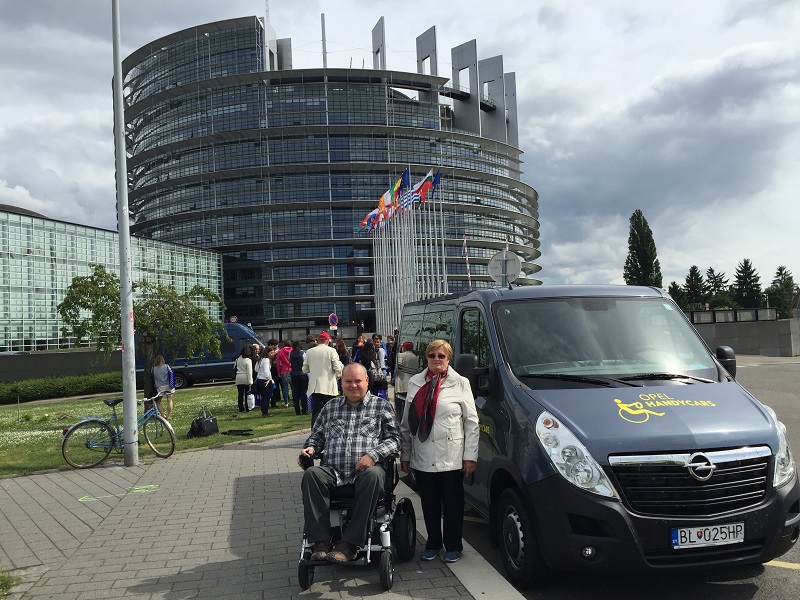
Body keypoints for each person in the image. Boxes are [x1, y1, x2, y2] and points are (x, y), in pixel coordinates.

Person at [298, 362, 401, 563]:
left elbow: (395, 439)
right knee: (311, 475)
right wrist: (310, 448)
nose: (353, 385)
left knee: (372, 475)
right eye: (348, 381)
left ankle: (351, 544)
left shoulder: (381, 406)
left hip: (367, 472)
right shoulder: (330, 407)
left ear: (367, 381)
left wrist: (372, 455)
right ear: (341, 383)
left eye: (357, 381)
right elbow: (316, 437)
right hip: (333, 471)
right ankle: (320, 542)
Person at [400, 339, 479, 564]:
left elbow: (471, 423)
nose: (436, 359)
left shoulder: (460, 383)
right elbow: (407, 422)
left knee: (453, 505)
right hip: (424, 454)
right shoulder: (416, 382)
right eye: (432, 355)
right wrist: (405, 454)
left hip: (451, 456)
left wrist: (469, 456)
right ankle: (434, 543)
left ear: (448, 359)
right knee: (429, 503)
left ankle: (453, 545)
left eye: (441, 356)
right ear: (427, 358)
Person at [303, 331, 343, 427]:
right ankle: (331, 430)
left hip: (315, 386)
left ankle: (315, 432)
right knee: (331, 411)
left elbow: (304, 369)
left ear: (318, 340)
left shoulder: (309, 352)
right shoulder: (331, 351)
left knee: (316, 411)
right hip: (329, 384)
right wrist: (339, 375)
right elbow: (337, 367)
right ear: (327, 341)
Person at [151, 355, 175, 419]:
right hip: (168, 385)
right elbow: (171, 374)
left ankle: (162, 415)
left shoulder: (153, 369)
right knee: (169, 400)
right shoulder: (166, 366)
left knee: (158, 401)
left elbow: (153, 377)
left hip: (159, 386)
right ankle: (168, 415)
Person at [255, 346, 275, 417]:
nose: (273, 354)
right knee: (267, 397)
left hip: (260, 379)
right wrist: (269, 379)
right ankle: (265, 412)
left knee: (263, 397)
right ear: (267, 353)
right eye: (271, 353)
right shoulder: (266, 360)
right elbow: (267, 371)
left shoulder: (260, 359)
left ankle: (263, 411)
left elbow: (256, 369)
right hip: (265, 380)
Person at [289, 339, 309, 415]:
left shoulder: (290, 354)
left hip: (294, 374)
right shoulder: (303, 354)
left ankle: (297, 410)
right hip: (302, 374)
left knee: (295, 393)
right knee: (304, 392)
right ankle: (304, 409)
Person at [234, 346, 254, 413]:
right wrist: (250, 382)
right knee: (247, 394)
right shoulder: (248, 360)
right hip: (245, 377)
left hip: (238, 377)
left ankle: (241, 408)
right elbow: (249, 372)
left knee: (240, 394)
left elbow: (235, 368)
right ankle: (248, 407)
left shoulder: (237, 359)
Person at [275, 339, 293, 408]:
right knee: (293, 387)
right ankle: (295, 401)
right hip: (291, 370)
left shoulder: (280, 352)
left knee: (285, 388)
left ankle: (286, 402)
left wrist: (279, 372)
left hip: (284, 371)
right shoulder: (292, 350)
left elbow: (278, 363)